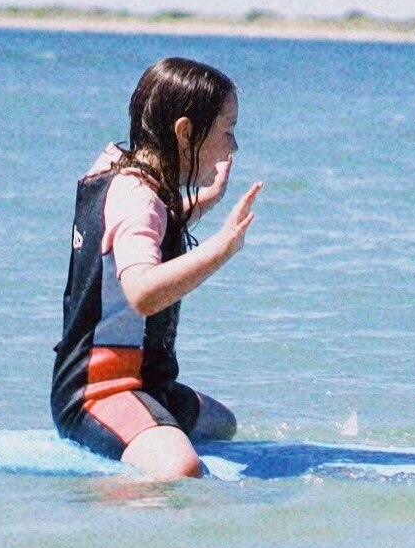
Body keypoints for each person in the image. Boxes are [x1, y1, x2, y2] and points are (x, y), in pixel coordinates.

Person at [52, 57, 260, 480]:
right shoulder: (139, 199)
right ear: (185, 133)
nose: (233, 147)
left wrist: (201, 203)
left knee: (222, 425)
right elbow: (142, 293)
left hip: (148, 384)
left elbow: (140, 226)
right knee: (182, 469)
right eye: (227, 131)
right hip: (99, 391)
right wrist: (221, 248)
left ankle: (150, 423)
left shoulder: (118, 170)